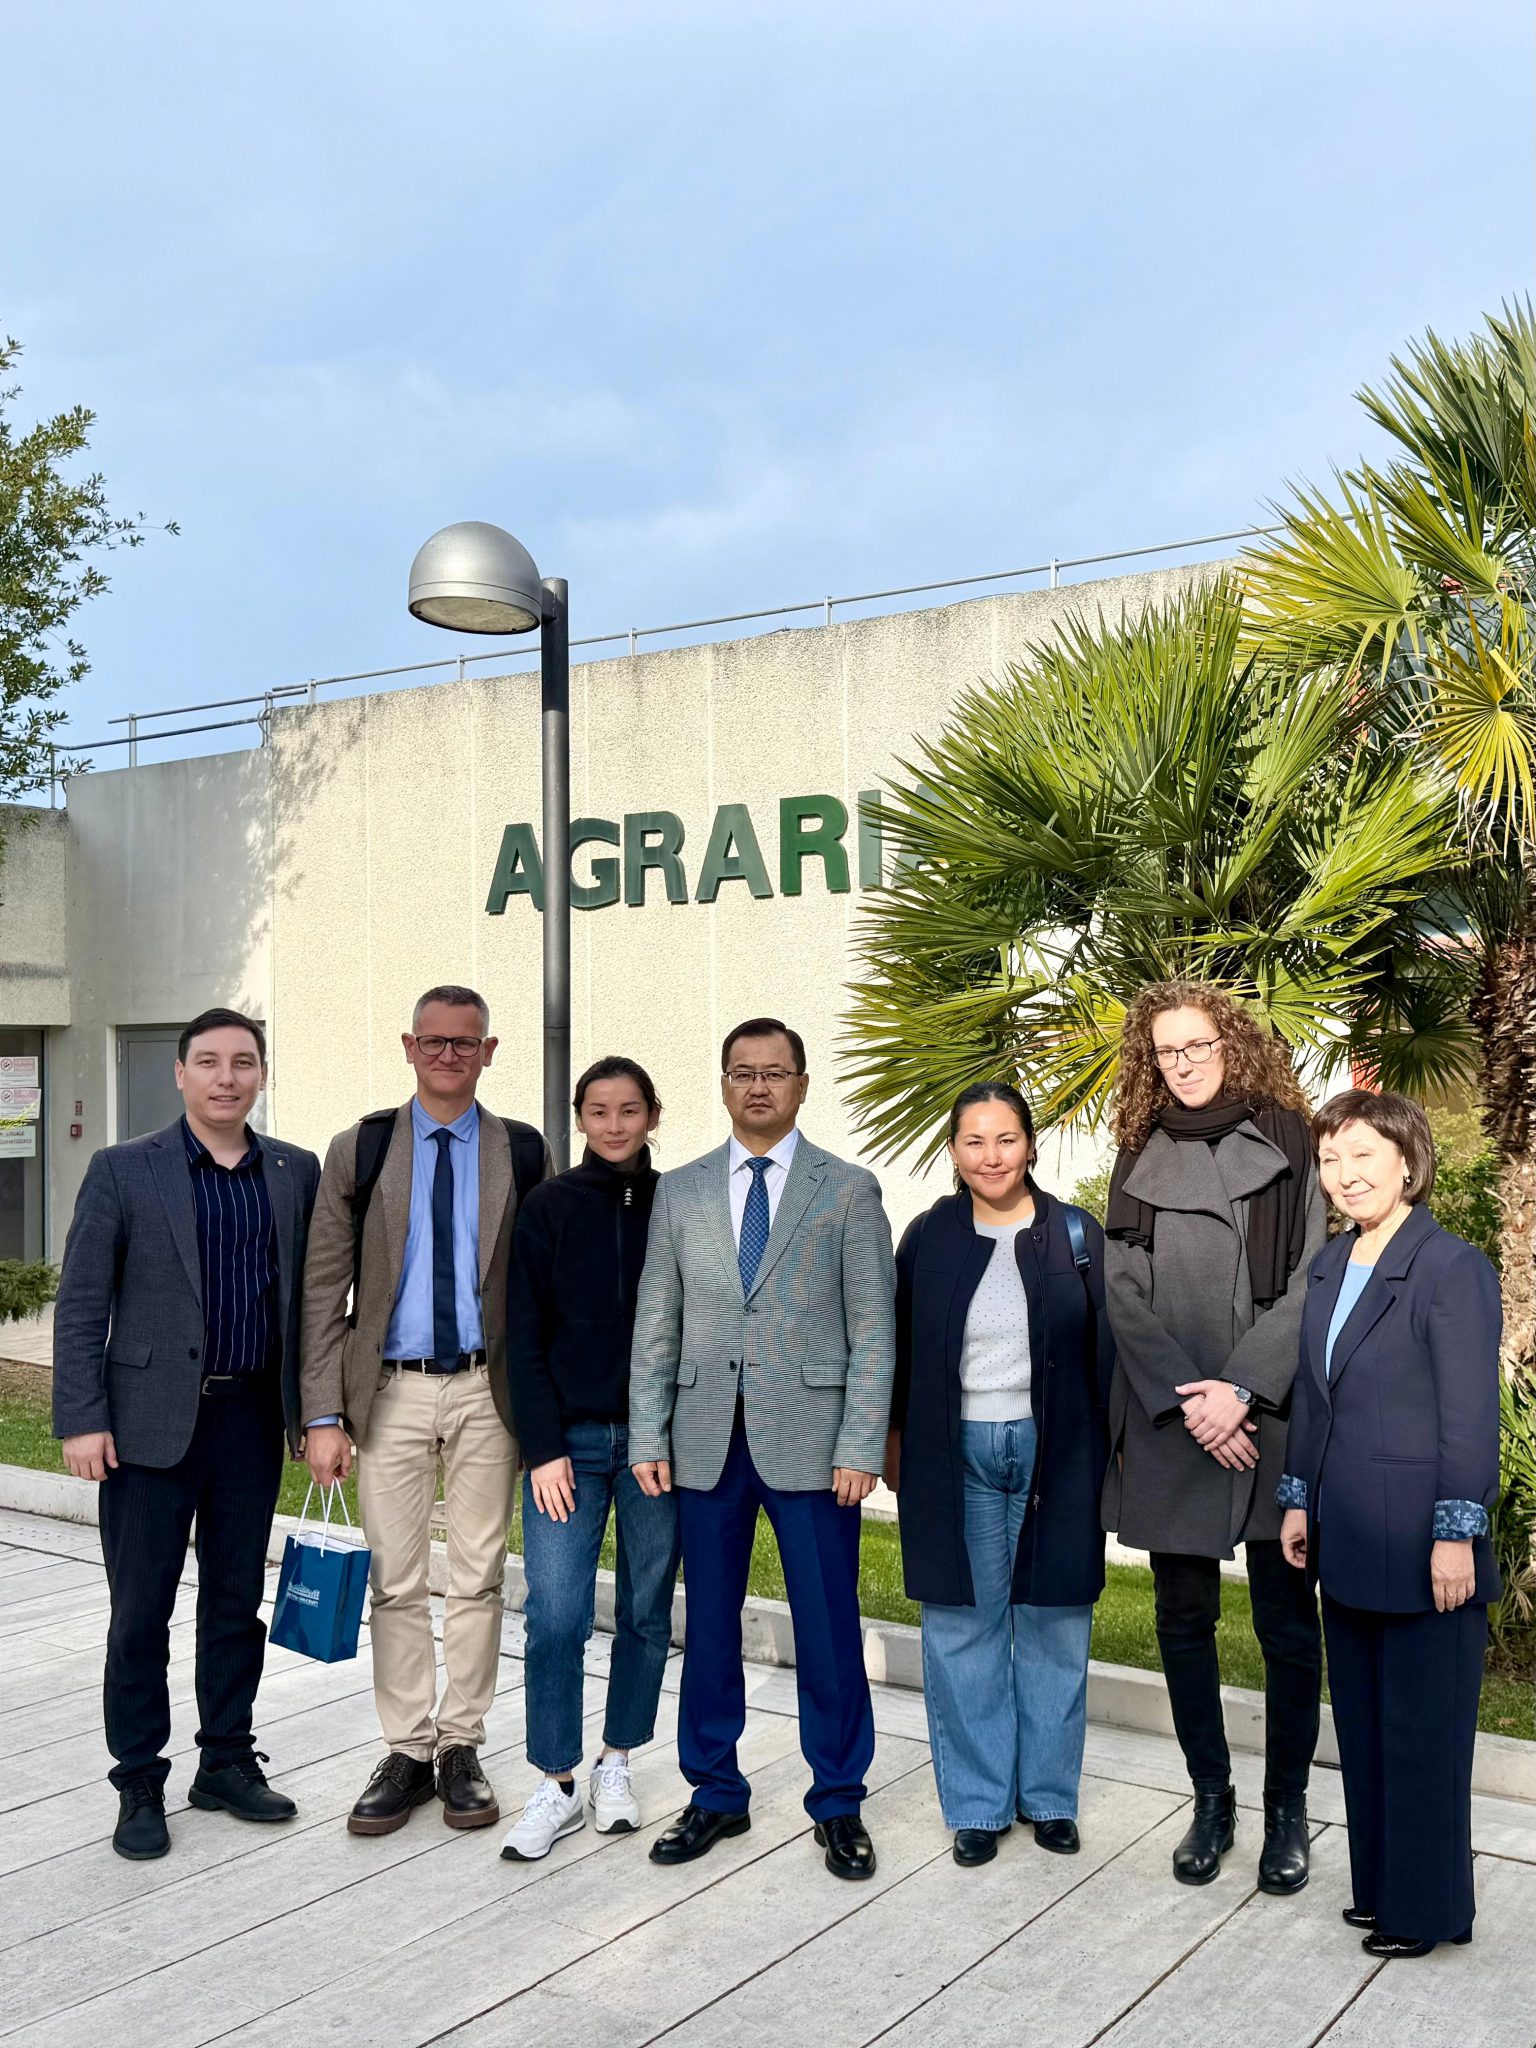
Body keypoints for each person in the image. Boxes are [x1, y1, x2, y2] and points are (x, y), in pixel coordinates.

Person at [628, 1017, 896, 1880]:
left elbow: (874, 1329)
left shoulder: (847, 1190)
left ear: (802, 1086)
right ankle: (714, 1791)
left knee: (827, 1626)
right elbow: (657, 1322)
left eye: (774, 1072)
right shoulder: (681, 1192)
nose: (757, 1086)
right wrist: (647, 1431)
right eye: (742, 1072)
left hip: (814, 1447)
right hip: (705, 1440)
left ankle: (839, 1800)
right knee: (708, 1627)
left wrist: (860, 1441)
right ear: (722, 1085)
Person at [52, 1008, 321, 1861]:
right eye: (208, 1061)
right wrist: (82, 1417)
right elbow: (82, 1302)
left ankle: (226, 1761)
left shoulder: (294, 1171)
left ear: (262, 1074)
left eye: (243, 1062)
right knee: (140, 1613)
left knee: (235, 1605)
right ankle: (139, 1780)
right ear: (180, 1073)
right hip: (145, 1428)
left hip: (250, 1421)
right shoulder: (124, 1169)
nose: (226, 1077)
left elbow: (310, 1304)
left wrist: (316, 1413)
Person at [301, 985, 551, 1837]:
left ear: (489, 1052)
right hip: (391, 1391)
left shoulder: (522, 1151)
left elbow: (543, 1283)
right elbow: (322, 1289)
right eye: (434, 1041)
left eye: (464, 1042)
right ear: (409, 1047)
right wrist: (322, 1415)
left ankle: (460, 1745)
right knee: (396, 1579)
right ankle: (407, 1748)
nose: (449, 1055)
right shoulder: (363, 1147)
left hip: (487, 1390)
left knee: (479, 1575)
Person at [1101, 979, 1325, 1891]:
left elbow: (1313, 1275)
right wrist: (1193, 1402)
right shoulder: (1137, 1148)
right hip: (1175, 1417)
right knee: (1183, 1619)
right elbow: (1121, 1290)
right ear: (1150, 1062)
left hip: (1270, 1414)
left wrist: (1242, 1388)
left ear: (1231, 1044)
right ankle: (1211, 1800)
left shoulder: (1291, 1139)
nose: (1184, 1063)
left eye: (1198, 1045)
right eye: (1167, 1051)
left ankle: (1287, 1811)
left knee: (1286, 1624)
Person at [1280, 1091, 1501, 1959]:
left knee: (1423, 1737)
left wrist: (1455, 1533)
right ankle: (1381, 1891)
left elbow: (1469, 1419)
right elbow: (1314, 1398)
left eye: (1363, 1155)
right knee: (1368, 1732)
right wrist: (1297, 1498)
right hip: (1348, 1539)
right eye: (1331, 1159)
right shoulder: (1332, 1264)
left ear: (1407, 1160)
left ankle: (1428, 1910)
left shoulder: (1451, 1267)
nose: (1346, 1174)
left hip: (1424, 1545)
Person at [887, 1082, 1113, 1868]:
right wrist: (892, 1441)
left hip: (1058, 1450)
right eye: (975, 1141)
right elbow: (900, 1348)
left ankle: (1049, 1798)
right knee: (963, 1625)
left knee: (1055, 1621)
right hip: (954, 1454)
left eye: (1006, 1139)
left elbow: (1106, 1353)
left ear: (1031, 1145)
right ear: (954, 1151)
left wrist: (1110, 1454)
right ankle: (979, 1805)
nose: (991, 1156)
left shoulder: (1076, 1234)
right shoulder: (928, 1237)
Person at [499, 1055, 680, 1861]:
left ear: (652, 1116)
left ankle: (617, 1763)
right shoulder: (548, 1206)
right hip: (567, 1446)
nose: (614, 1124)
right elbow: (523, 1335)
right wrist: (541, 1448)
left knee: (646, 1611)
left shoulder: (678, 1204)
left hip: (655, 1447)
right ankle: (557, 1780)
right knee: (557, 1614)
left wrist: (666, 1431)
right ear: (579, 1119)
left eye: (629, 1110)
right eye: (598, 1111)